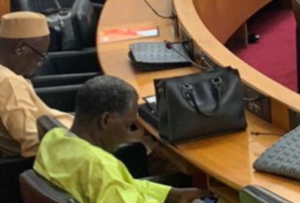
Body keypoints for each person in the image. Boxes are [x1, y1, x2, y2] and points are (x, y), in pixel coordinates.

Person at [35, 76, 212, 203]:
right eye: (129, 125)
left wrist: (172, 194)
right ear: (105, 120)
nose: (129, 135)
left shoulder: (53, 138)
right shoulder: (100, 167)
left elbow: (122, 186)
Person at [0, 12, 73, 158]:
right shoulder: (9, 83)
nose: (41, 63)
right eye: (40, 55)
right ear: (20, 48)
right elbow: (33, 143)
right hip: (64, 146)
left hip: (60, 130)